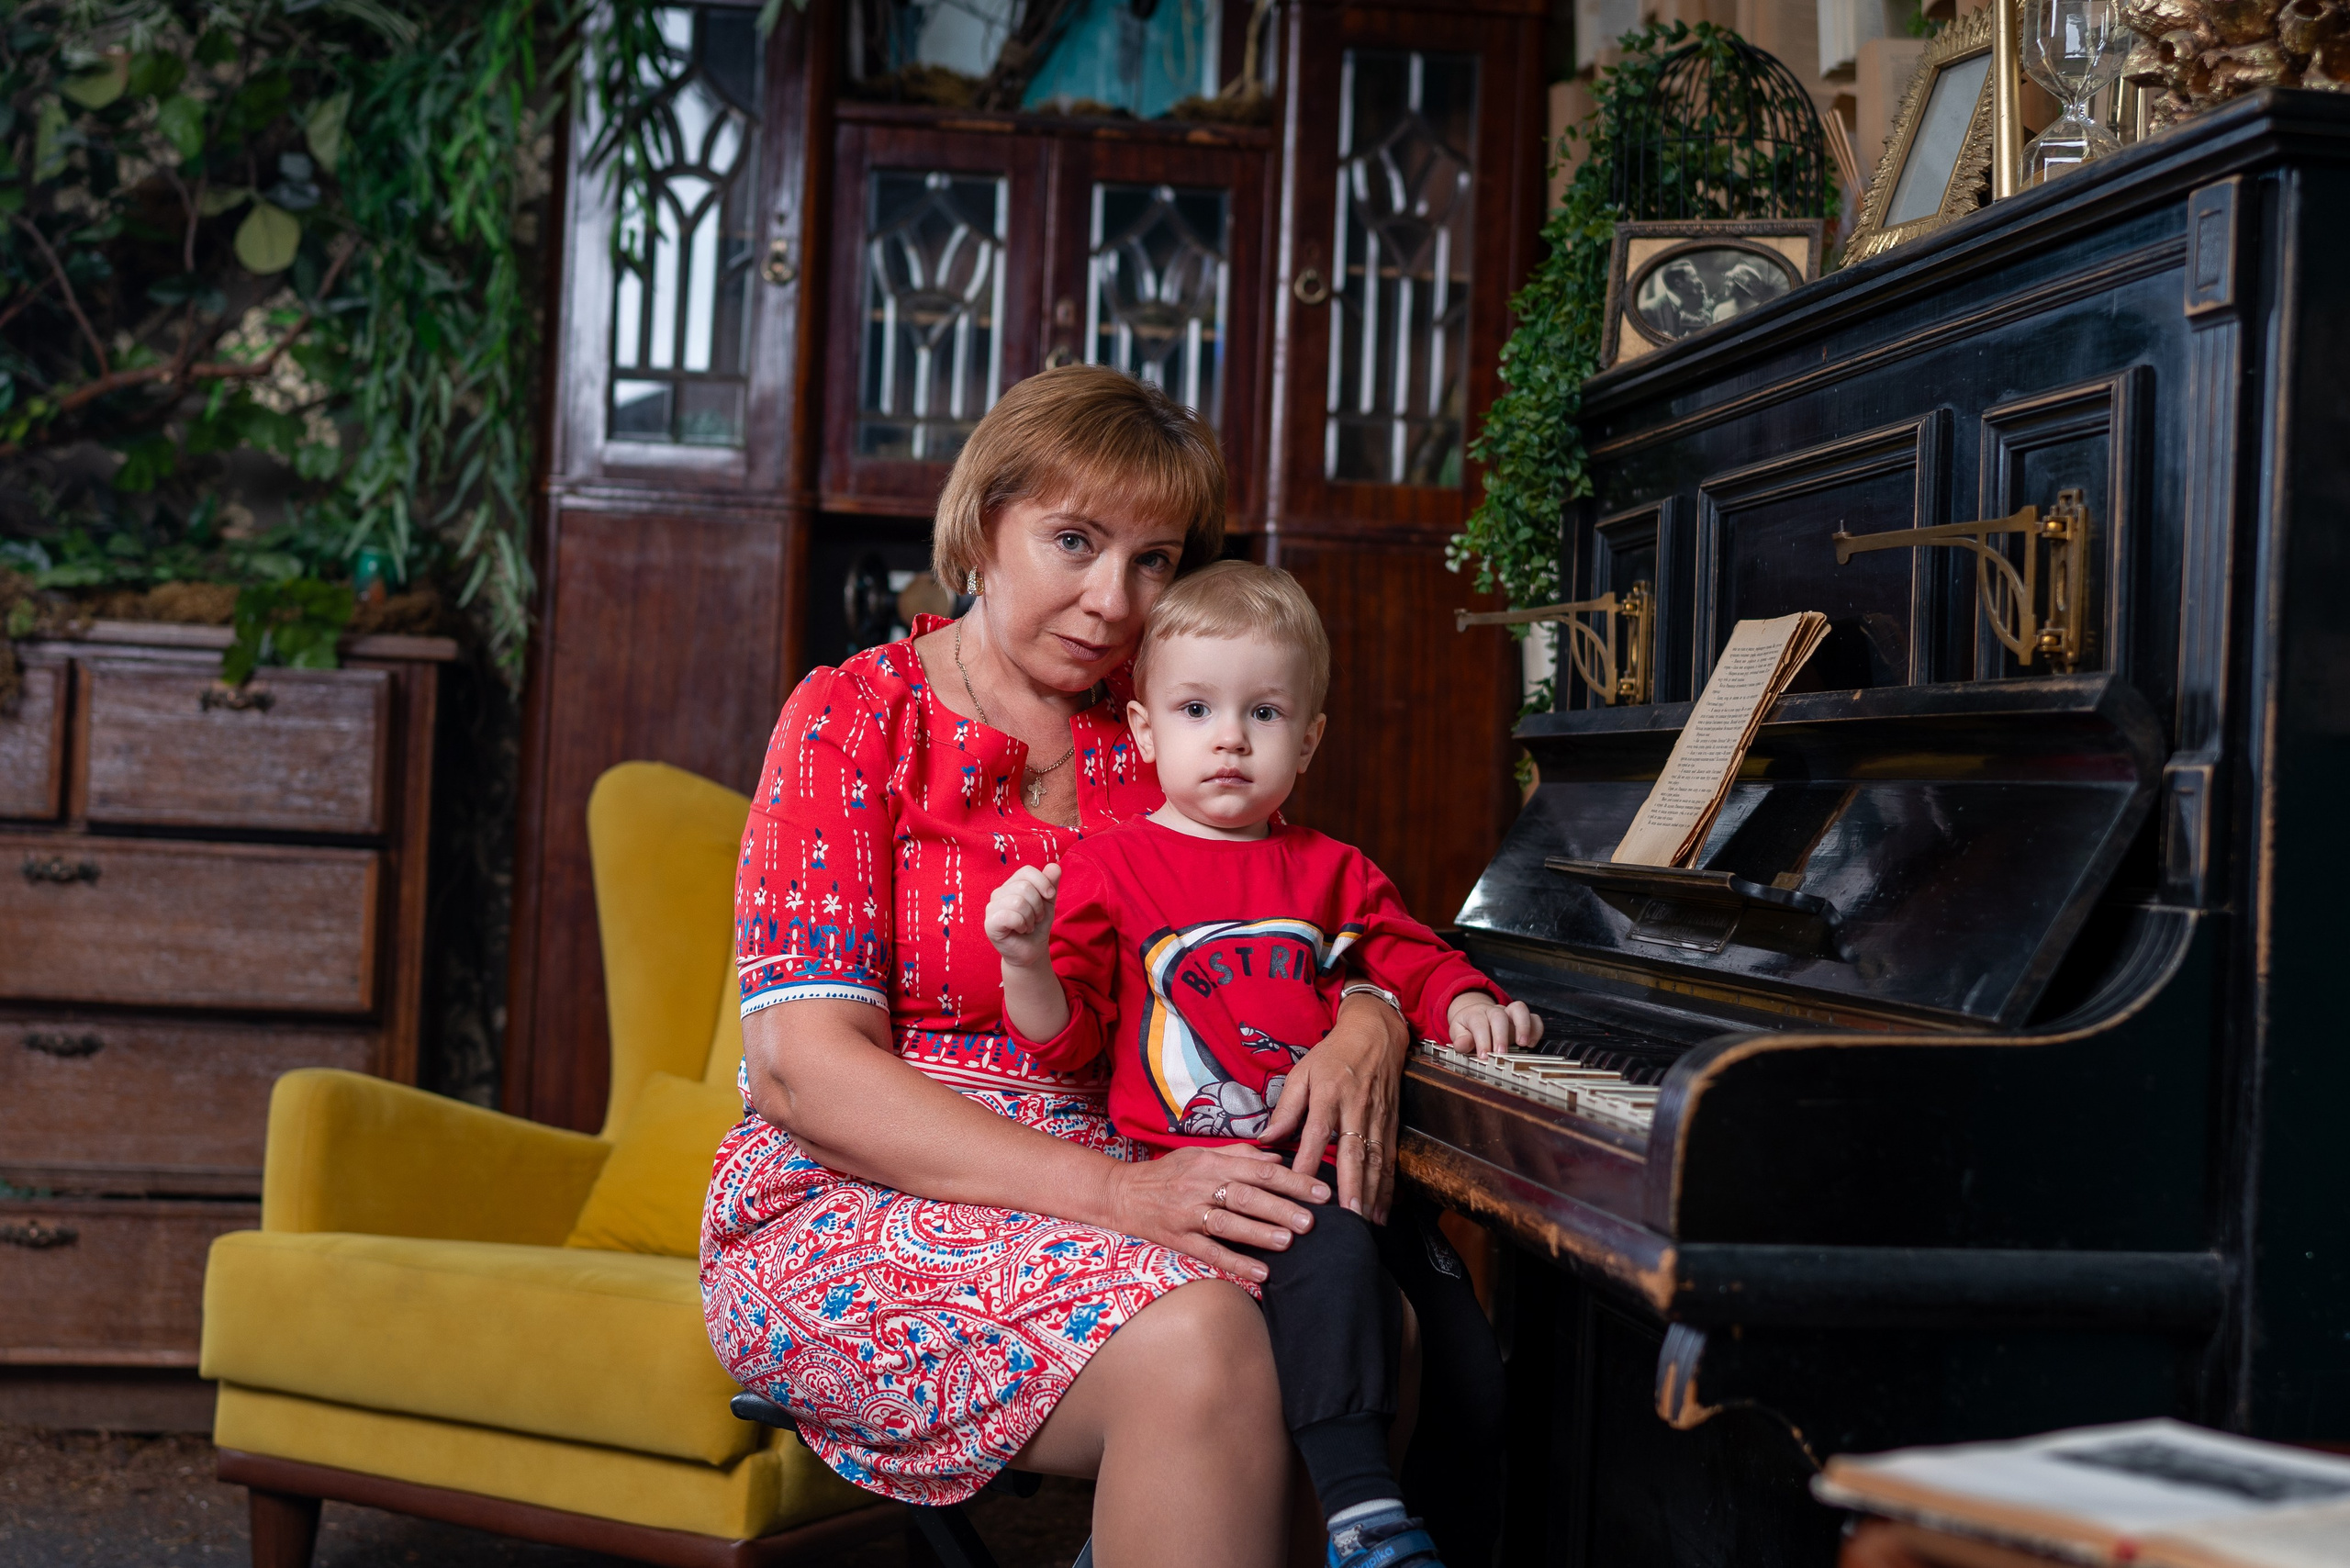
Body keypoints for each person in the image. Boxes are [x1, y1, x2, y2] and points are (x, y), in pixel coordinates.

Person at [700, 365, 1464, 1568]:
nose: (1113, 600)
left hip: (1150, 1168)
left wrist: (1368, 1011)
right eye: (1074, 540)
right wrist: (1115, 1198)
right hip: (857, 1200)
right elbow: (803, 1076)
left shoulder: (1168, 719)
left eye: (1154, 560)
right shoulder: (856, 718)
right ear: (983, 524)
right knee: (1210, 1342)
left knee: (1377, 1330)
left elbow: (1303, 905)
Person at [982, 562, 1536, 1568]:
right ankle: (1366, 1520)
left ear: (1308, 738)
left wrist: (1459, 998)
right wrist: (1024, 957)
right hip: (1225, 1177)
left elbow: (1408, 957)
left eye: (1264, 711)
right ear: (1146, 731)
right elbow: (1063, 1037)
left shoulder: (1334, 869)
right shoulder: (1112, 868)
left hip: (1352, 1172)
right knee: (1327, 1264)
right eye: (1197, 708)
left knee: (1469, 1373)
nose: (1230, 735)